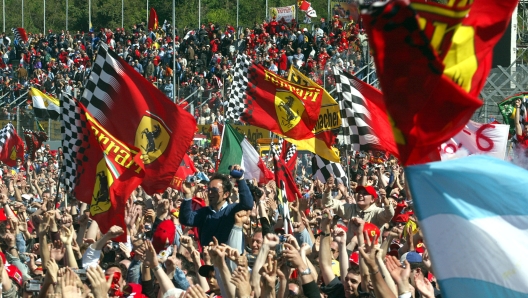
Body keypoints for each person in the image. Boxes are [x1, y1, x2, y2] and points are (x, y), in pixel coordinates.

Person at [180, 165, 254, 246]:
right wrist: (188, 195)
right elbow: (186, 219)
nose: (210, 193)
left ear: (226, 194)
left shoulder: (232, 210)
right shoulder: (204, 213)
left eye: (215, 190)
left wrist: (240, 180)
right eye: (209, 190)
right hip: (207, 256)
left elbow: (247, 204)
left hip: (229, 257)